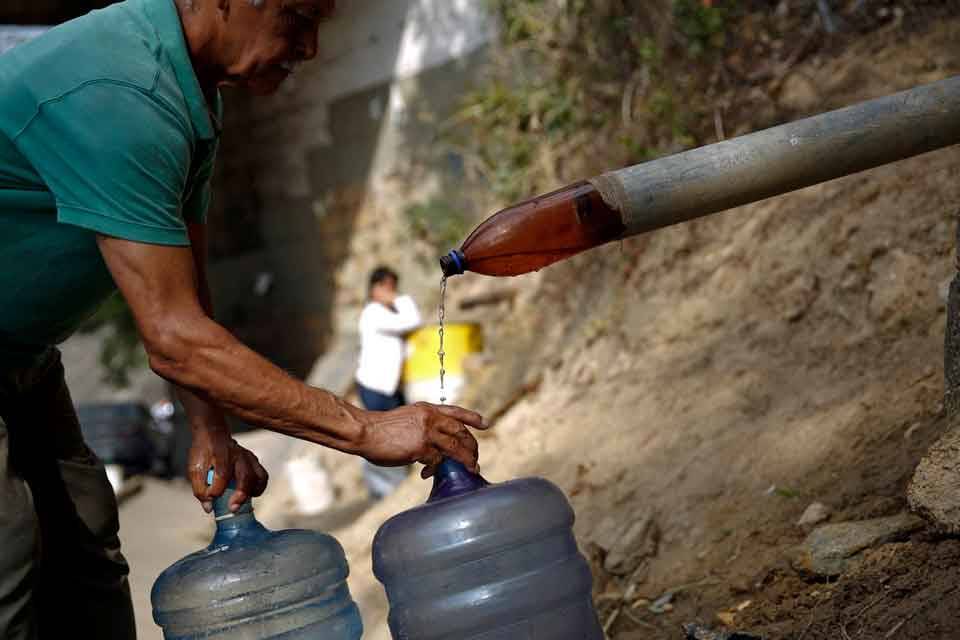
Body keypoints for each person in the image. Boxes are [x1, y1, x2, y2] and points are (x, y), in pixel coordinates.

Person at [0, 1, 487, 638]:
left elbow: (187, 295)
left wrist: (210, 427)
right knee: (8, 556)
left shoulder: (190, 94)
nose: (310, 47)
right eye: (296, 17)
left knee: (85, 536)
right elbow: (174, 341)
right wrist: (365, 430)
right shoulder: (119, 91)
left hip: (24, 356)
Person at [355, 267, 421, 499]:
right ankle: (384, 489)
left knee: (398, 430)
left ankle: (398, 482)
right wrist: (400, 298)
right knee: (380, 436)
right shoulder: (373, 313)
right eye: (388, 287)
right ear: (376, 289)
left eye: (394, 287)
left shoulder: (386, 314)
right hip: (375, 387)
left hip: (390, 387)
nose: (392, 292)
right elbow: (412, 320)